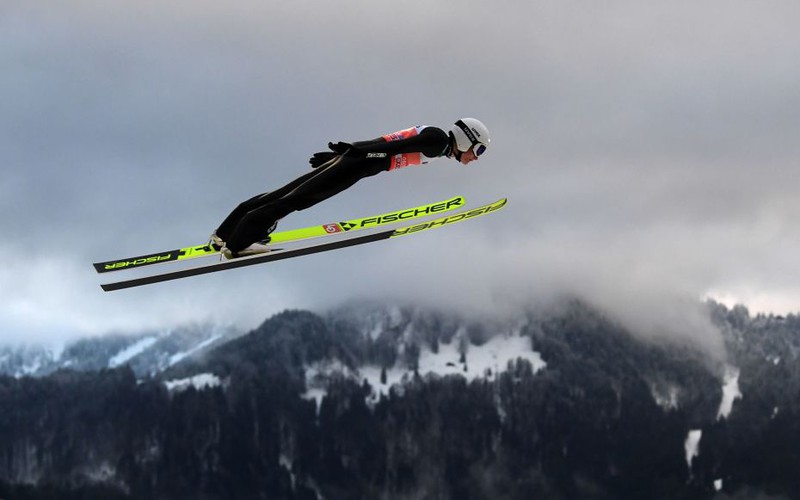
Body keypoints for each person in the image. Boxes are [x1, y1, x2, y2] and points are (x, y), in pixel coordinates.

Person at [211, 118, 491, 258]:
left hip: (356, 162)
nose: (476, 157)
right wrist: (354, 155)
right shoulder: (437, 142)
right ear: (467, 139)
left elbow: (385, 144)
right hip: (357, 165)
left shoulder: (437, 142)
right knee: (297, 198)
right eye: (478, 149)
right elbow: (393, 147)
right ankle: (240, 243)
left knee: (287, 193)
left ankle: (224, 235)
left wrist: (346, 154)